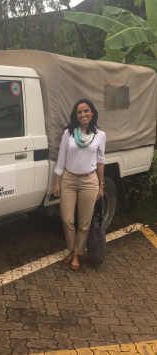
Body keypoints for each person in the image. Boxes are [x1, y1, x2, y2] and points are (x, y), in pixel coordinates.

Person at [54, 98, 106, 270]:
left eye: (86, 111)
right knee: (67, 219)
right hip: (68, 179)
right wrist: (57, 182)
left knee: (84, 222)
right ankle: (72, 249)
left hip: (89, 181)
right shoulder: (69, 132)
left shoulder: (100, 135)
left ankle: (76, 254)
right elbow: (61, 158)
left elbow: (100, 161)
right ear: (76, 115)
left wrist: (101, 185)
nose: (83, 114)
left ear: (92, 113)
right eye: (79, 112)